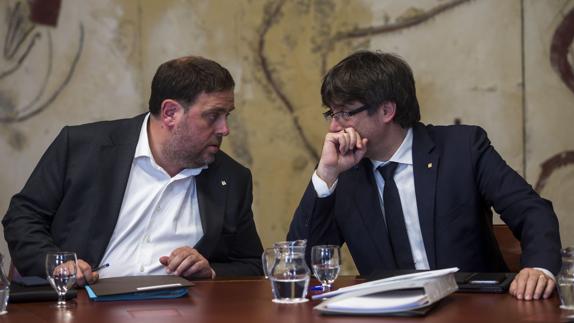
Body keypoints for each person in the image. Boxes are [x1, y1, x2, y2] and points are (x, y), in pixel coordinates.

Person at [287, 50, 562, 301]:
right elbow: (301, 263)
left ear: (386, 110)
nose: (334, 126)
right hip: (386, 314)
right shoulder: (344, 173)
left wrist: (538, 268)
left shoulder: (463, 149)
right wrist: (326, 175)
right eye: (331, 113)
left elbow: (532, 211)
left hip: (472, 309)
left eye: (345, 112)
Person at [3, 56, 263, 285]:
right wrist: (58, 265)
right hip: (83, 307)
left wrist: (210, 271)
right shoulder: (82, 148)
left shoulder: (232, 178)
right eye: (213, 116)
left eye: (227, 115)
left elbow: (251, 265)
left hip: (183, 312)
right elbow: (22, 218)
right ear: (170, 113)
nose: (224, 129)